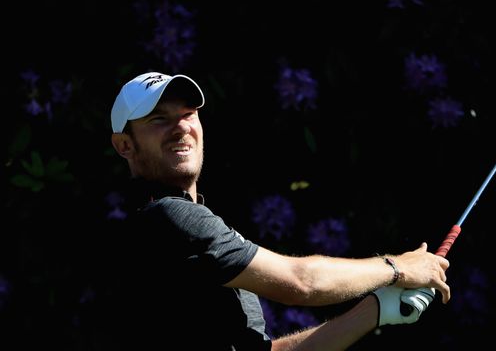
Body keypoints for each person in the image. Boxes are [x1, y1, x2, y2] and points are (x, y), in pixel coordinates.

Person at [106, 71, 450, 350]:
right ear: (125, 145)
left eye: (188, 114)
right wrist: (397, 268)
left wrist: (376, 310)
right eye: (158, 119)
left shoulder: (182, 223)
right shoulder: (170, 217)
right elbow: (301, 283)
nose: (181, 127)